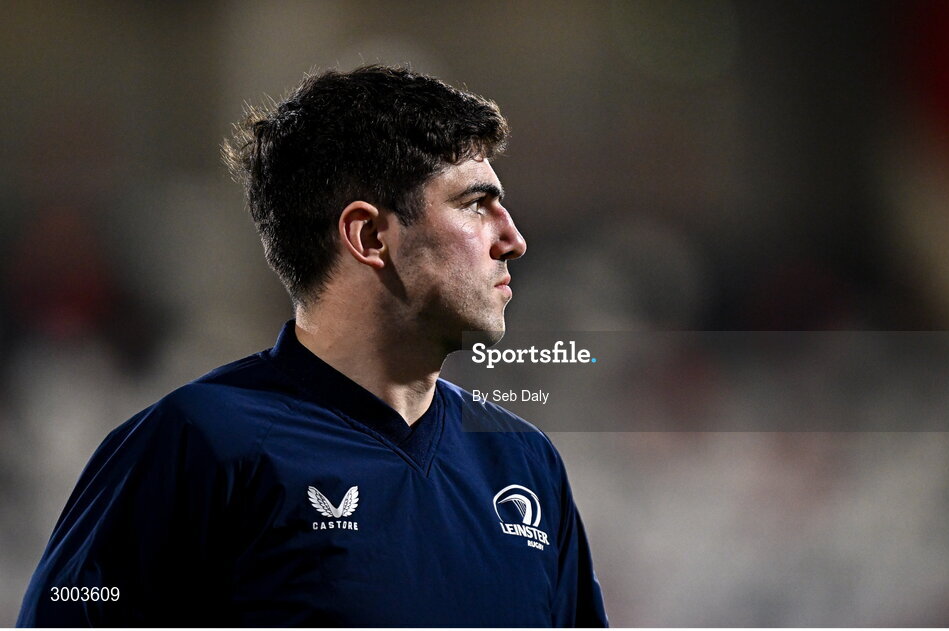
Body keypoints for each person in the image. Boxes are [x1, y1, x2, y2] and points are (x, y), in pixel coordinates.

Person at [17, 65, 608, 627]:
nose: (514, 239)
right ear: (370, 235)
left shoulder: (525, 464)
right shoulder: (203, 443)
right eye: (475, 205)